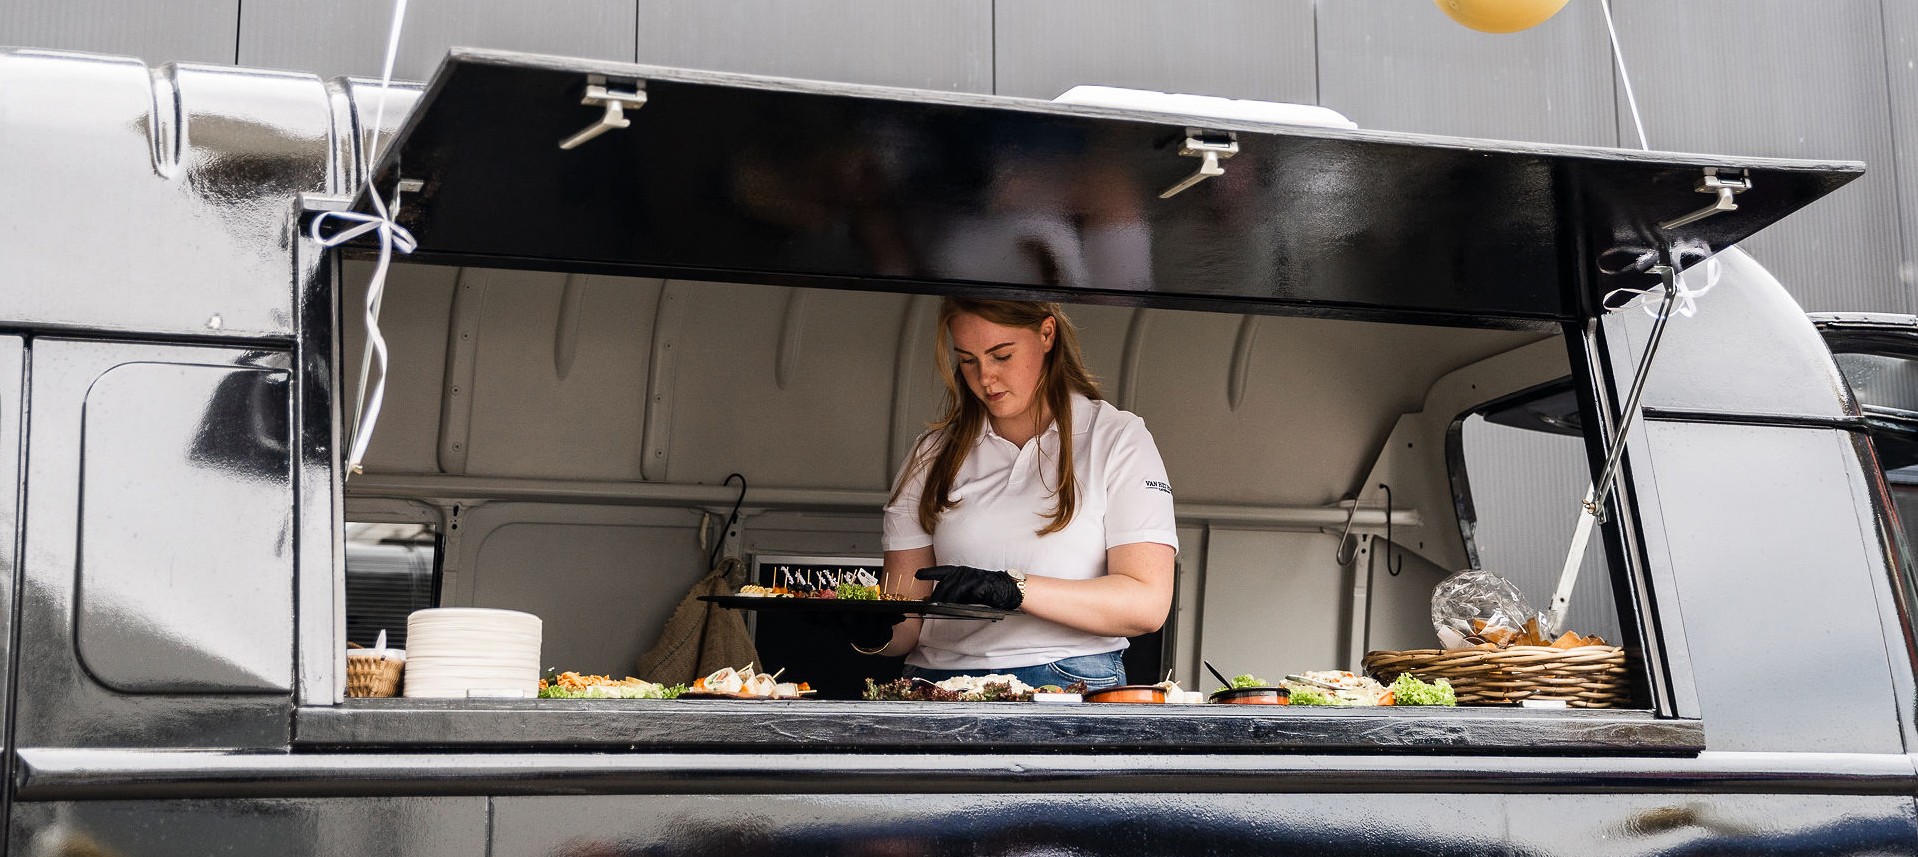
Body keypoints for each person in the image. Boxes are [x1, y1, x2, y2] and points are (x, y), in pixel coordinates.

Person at [848, 298, 1178, 690]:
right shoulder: (931, 454)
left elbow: (1147, 604)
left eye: (1001, 356)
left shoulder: (1117, 439)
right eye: (968, 360)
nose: (985, 378)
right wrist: (868, 629)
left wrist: (1015, 588)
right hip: (935, 685)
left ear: (1047, 334)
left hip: (1066, 680)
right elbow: (906, 624)